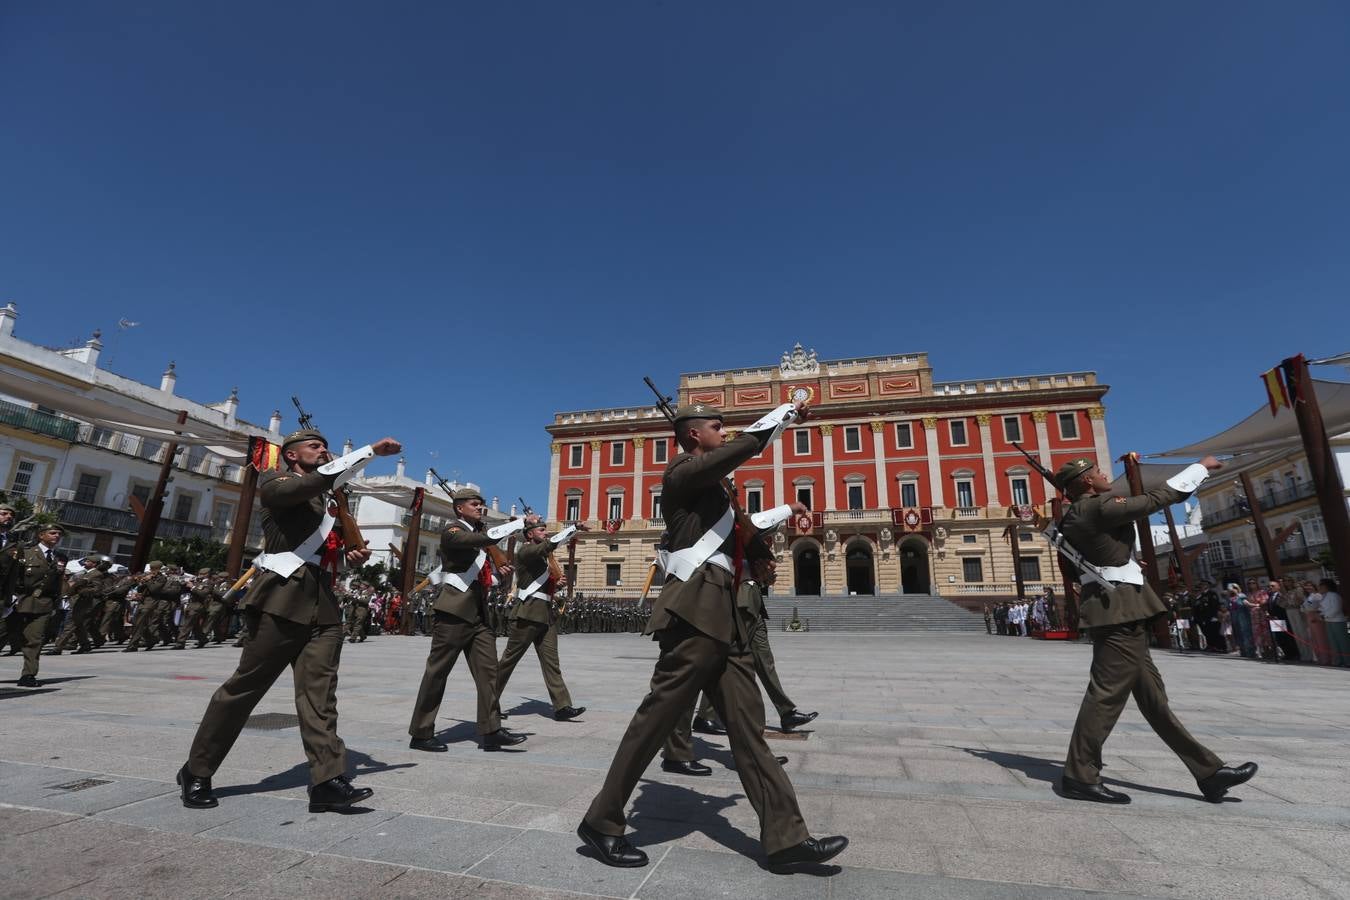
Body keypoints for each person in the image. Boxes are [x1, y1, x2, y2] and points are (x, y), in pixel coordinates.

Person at [578, 400, 846, 871]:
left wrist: (767, 540)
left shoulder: (717, 492)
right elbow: (737, 453)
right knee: (656, 719)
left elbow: (746, 528)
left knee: (748, 728)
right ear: (693, 436)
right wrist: (781, 416)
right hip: (695, 608)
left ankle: (786, 839)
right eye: (717, 427)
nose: (725, 433)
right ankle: (602, 821)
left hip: (729, 612)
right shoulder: (681, 473)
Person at [177, 429, 400, 812]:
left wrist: (349, 557)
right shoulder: (276, 482)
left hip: (323, 603)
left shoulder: (327, 501)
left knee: (320, 697)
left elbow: (322, 551)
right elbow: (307, 490)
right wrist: (369, 452)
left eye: (324, 446)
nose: (323, 450)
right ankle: (197, 770)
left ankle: (327, 781)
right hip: (281, 599)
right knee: (245, 689)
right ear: (292, 455)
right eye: (314, 446)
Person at [1052, 456, 1256, 805]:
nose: (1104, 475)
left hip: (1117, 607)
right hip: (1120, 611)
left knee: (1154, 700)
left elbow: (1077, 568)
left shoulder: (1072, 519)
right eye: (1097, 472)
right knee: (1106, 695)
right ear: (1086, 482)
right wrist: (1200, 467)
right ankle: (1080, 776)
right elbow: (1155, 500)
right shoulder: (1097, 507)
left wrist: (1125, 563)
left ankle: (1209, 772)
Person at [407, 487, 527, 753]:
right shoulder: (452, 531)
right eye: (474, 504)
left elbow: (482, 576)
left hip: (479, 614)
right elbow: (471, 541)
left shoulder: (480, 538)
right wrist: (517, 525)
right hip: (454, 611)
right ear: (459, 508)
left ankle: (491, 730)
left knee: (489, 673)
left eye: (481, 504)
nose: (480, 507)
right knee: (437, 673)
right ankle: (421, 732)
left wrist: (499, 576)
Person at [493, 516, 585, 722]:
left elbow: (541, 585)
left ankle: (562, 706)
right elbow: (548, 546)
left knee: (552, 663)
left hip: (545, 614)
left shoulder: (542, 558)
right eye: (541, 530)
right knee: (508, 661)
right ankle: (489, 703)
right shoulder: (526, 551)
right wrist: (573, 528)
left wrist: (556, 585)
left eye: (545, 530)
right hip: (527, 613)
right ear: (529, 534)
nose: (545, 532)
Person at [2, 523, 67, 686]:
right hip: (18, 600)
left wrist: (57, 602)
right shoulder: (25, 551)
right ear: (41, 535)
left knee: (34, 640)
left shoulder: (60, 557)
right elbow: (12, 574)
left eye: (58, 534)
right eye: (52, 533)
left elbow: (58, 582)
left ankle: (28, 675)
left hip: (43, 603)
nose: (56, 536)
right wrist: (10, 596)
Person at [1263, 579, 1300, 663]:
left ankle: (1293, 654)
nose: (1270, 587)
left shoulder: (1281, 595)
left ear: (1278, 587)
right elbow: (1269, 606)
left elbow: (1282, 607)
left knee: (1286, 637)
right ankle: (1287, 654)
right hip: (1274, 619)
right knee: (1279, 638)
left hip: (1282, 618)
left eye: (1272, 586)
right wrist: (1268, 613)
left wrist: (1278, 615)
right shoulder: (1270, 596)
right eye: (1269, 586)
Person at [1316, 578, 1348, 667]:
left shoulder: (1334, 595)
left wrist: (1325, 616)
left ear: (1327, 586)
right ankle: (1338, 661)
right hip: (1328, 621)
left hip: (1337, 621)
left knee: (1342, 642)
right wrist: (1321, 614)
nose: (1319, 587)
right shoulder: (1323, 596)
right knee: (1333, 642)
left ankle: (1347, 661)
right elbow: (1322, 608)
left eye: (1321, 585)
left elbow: (1336, 609)